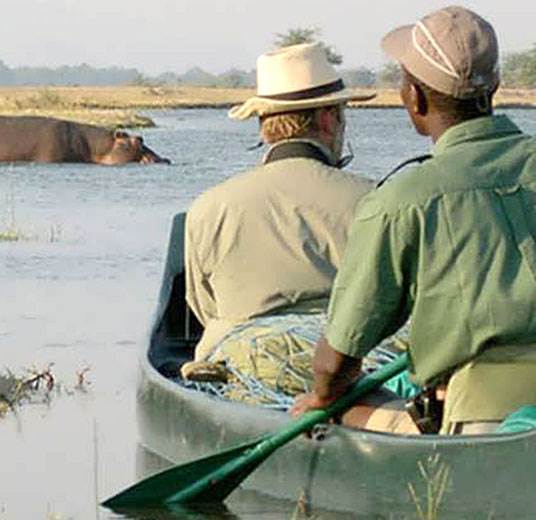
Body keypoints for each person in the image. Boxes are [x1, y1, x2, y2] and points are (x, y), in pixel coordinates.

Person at [291, 6, 536, 435]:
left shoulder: (400, 202)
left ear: (414, 99)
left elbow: (338, 362)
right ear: (494, 85)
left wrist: (321, 398)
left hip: (479, 417)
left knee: (345, 405)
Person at [181, 43, 375, 382]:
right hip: (352, 373)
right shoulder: (377, 200)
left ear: (263, 124)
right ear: (329, 120)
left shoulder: (208, 207)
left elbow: (204, 308)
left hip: (246, 370)